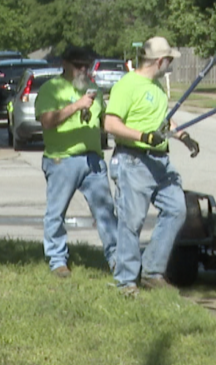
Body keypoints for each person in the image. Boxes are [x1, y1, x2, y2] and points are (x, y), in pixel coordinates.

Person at [102, 36, 199, 297]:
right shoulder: (128, 85)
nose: (171, 65)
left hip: (159, 162)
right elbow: (110, 124)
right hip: (133, 160)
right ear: (160, 61)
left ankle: (152, 271)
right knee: (131, 222)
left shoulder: (156, 88)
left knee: (177, 209)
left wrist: (182, 136)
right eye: (169, 60)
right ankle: (126, 282)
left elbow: (161, 122)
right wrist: (143, 136)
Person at [34, 45, 118, 278]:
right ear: (64, 64)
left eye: (87, 65)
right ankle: (57, 260)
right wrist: (76, 106)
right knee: (56, 212)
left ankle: (117, 260)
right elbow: (47, 122)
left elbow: (104, 122)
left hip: (93, 160)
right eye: (78, 65)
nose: (83, 69)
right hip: (62, 159)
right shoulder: (51, 89)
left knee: (105, 212)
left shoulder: (94, 90)